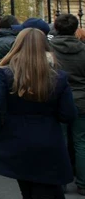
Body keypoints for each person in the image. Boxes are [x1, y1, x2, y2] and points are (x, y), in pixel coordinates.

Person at [0, 28, 76, 198]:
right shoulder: (58, 77)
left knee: (27, 190)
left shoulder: (6, 74)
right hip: (48, 139)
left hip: (16, 139)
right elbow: (68, 114)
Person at [50, 14, 85, 195]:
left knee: (59, 140)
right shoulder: (83, 49)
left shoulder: (49, 49)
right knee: (81, 141)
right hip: (81, 100)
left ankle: (60, 180)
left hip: (56, 98)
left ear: (56, 27)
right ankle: (83, 183)